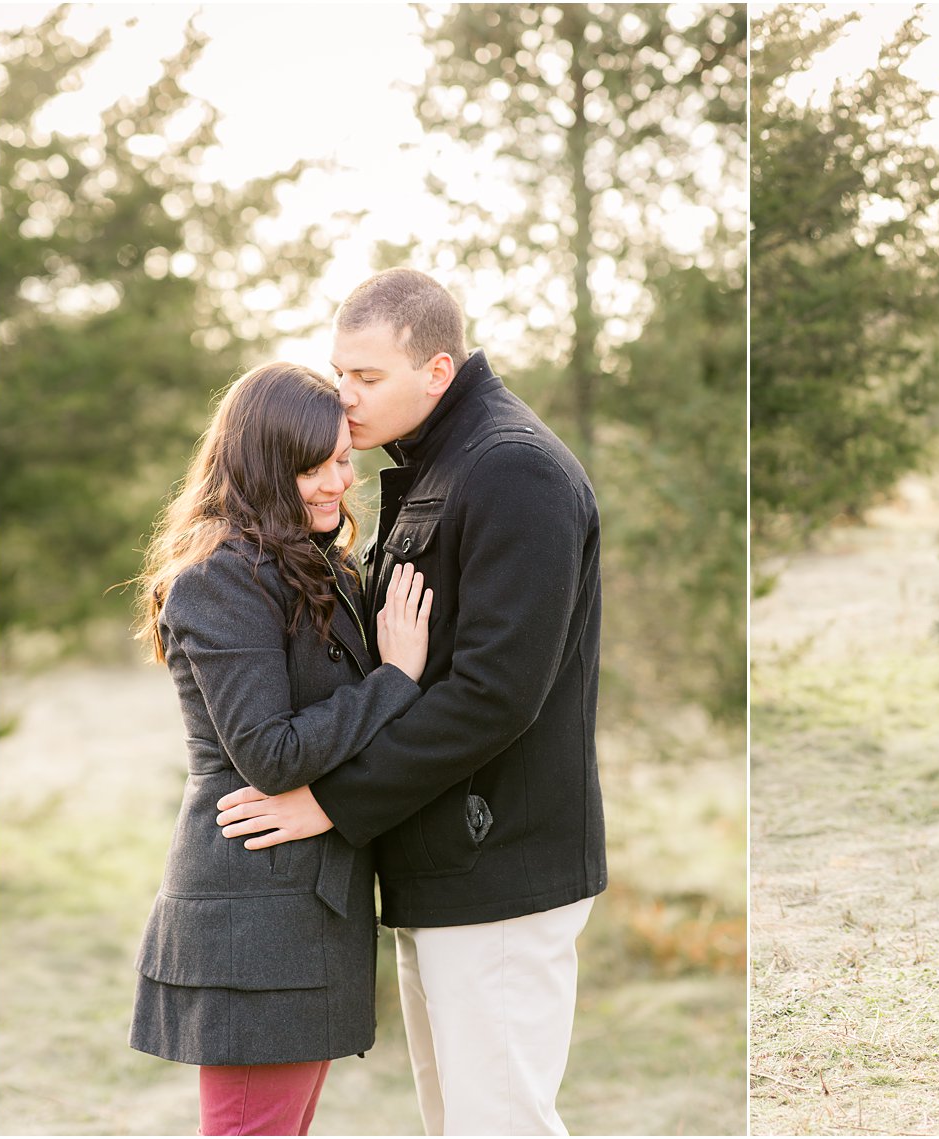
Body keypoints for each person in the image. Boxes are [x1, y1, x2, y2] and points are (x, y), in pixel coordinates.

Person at [212, 269, 606, 1135]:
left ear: (437, 370)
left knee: (498, 1121)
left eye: (367, 377)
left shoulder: (512, 469)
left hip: (499, 858)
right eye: (339, 372)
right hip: (437, 859)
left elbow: (495, 695)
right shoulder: (440, 464)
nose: (344, 398)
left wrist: (331, 801)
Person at [129, 362, 434, 1135]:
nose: (337, 481)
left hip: (311, 907)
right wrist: (395, 677)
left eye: (341, 458)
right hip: (252, 915)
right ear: (262, 468)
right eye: (312, 466)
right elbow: (269, 752)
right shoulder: (220, 581)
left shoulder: (312, 562)